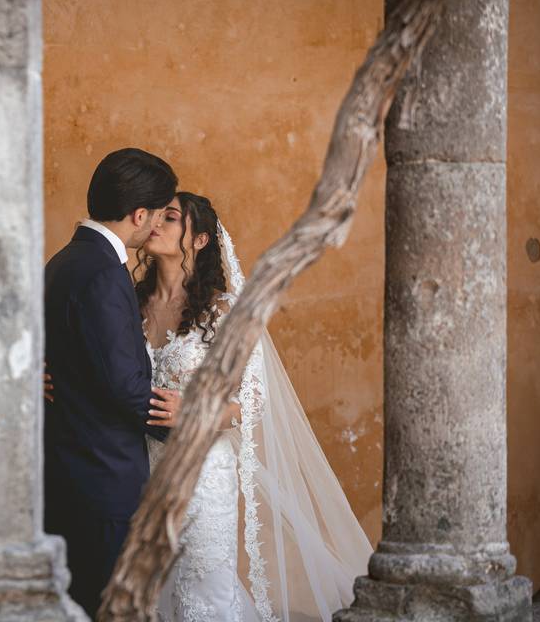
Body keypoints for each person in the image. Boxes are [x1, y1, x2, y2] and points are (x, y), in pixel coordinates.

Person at [50, 191, 374, 621]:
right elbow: (97, 365)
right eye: (155, 216)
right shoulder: (127, 299)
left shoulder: (225, 310)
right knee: (144, 589)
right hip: (135, 464)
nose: (155, 225)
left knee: (201, 587)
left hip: (203, 471)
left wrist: (198, 413)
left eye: (170, 218)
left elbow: (255, 397)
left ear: (200, 240)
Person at [43, 148, 183, 618]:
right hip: (102, 478)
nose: (157, 227)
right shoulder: (104, 272)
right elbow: (123, 385)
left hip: (66, 469)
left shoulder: (64, 261)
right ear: (138, 214)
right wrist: (188, 425)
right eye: (159, 215)